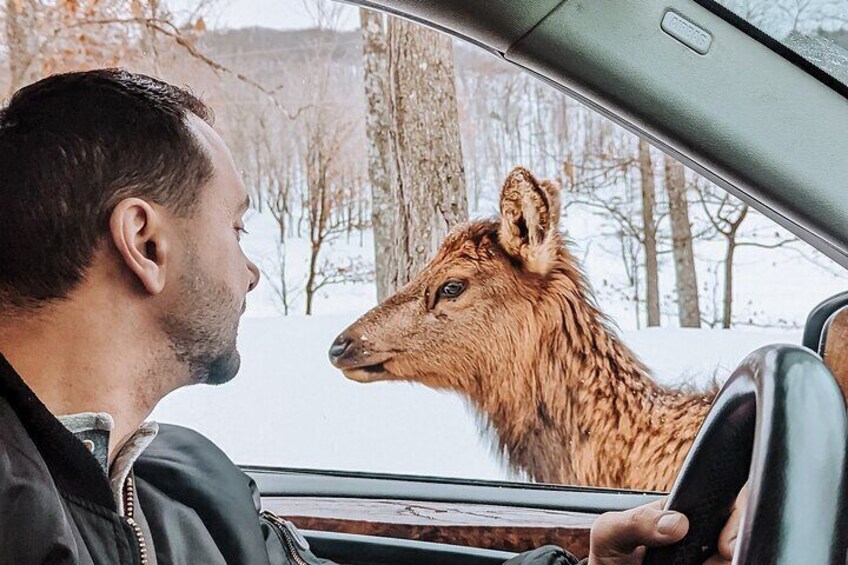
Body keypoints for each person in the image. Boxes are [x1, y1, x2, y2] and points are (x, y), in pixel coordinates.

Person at [0, 69, 737, 565]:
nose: (252, 270)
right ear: (146, 243)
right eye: (236, 229)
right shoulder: (18, 514)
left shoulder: (188, 482)